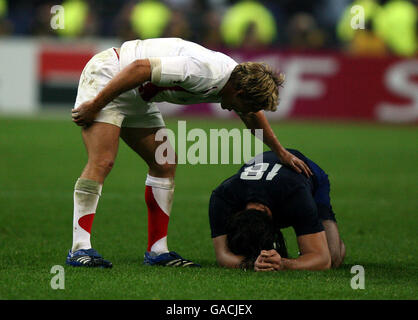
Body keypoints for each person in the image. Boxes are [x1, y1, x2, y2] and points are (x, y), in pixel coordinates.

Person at [67, 37, 312, 268]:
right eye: (249, 105)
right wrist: (95, 105)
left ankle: (157, 251)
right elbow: (140, 68)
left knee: (164, 163)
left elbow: (252, 115)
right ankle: (80, 249)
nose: (248, 112)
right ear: (240, 94)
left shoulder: (236, 80)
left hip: (136, 94)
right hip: (110, 76)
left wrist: (280, 152)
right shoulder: (203, 71)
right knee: (103, 160)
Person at [209, 149, 345, 271]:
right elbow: (223, 255)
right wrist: (251, 263)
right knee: (243, 245)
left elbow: (323, 260)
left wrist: (283, 264)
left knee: (333, 257)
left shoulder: (295, 196)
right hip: (267, 167)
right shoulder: (223, 198)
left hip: (308, 173)